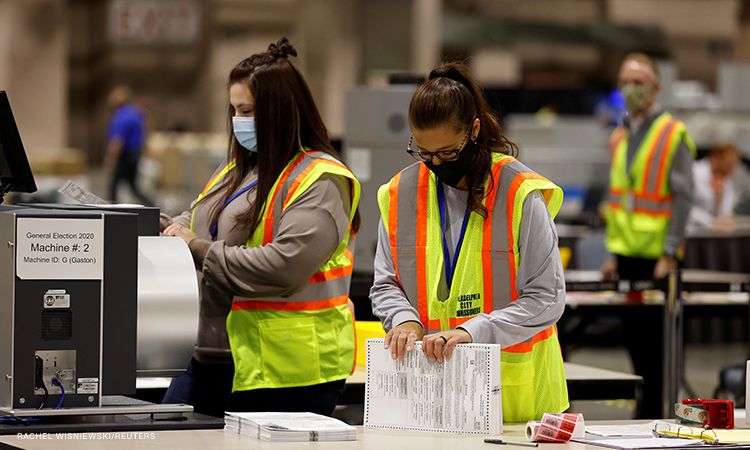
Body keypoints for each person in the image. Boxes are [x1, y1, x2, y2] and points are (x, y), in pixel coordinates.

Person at [161, 37, 361, 417]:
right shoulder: (237, 170)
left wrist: (196, 248)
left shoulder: (320, 180)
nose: (239, 121)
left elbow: (283, 265)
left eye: (248, 111)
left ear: (280, 111)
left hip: (287, 374)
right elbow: (198, 220)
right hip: (213, 357)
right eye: (235, 110)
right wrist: (161, 227)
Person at [370, 62, 569, 423]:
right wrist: (403, 320)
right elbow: (386, 284)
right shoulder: (400, 193)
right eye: (423, 153)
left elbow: (547, 297)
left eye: (447, 153)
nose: (435, 163)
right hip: (432, 395)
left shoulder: (519, 193)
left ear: (474, 130)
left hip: (518, 403)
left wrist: (472, 332)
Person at [602, 53, 695, 419]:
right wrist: (612, 253)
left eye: (638, 81)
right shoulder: (620, 135)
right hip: (626, 256)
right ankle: (644, 418)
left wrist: (670, 252)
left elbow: (684, 197)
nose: (631, 88)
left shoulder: (673, 133)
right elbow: (618, 199)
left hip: (658, 259)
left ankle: (659, 419)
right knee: (635, 346)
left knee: (658, 351)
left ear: (656, 87)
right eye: (625, 81)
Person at [104, 85, 154, 205]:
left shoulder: (122, 115)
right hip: (134, 154)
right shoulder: (134, 113)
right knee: (132, 186)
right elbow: (143, 135)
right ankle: (152, 205)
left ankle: (111, 209)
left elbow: (117, 140)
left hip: (125, 155)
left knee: (114, 185)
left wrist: (111, 158)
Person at [689, 142, 741, 230]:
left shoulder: (726, 180)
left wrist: (719, 199)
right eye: (729, 164)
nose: (731, 170)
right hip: (691, 229)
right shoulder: (694, 172)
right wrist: (710, 221)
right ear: (716, 157)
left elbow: (726, 214)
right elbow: (685, 207)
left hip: (714, 232)